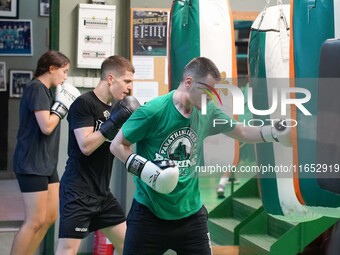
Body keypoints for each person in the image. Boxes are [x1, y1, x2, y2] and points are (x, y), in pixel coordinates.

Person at [110, 56, 291, 254]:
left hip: (190, 214)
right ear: (188, 83)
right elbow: (118, 145)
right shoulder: (153, 111)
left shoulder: (207, 112)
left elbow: (242, 132)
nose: (210, 98)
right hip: (149, 214)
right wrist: (147, 171)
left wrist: (273, 132)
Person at [56, 55, 140, 255]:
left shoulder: (114, 109)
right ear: (111, 78)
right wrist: (113, 122)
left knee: (129, 245)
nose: (129, 88)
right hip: (78, 192)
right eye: (126, 81)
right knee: (67, 250)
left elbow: (116, 146)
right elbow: (86, 145)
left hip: (102, 194)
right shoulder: (84, 104)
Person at [11, 50, 80, 255]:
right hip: (31, 163)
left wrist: (60, 104)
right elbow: (46, 126)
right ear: (52, 69)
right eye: (64, 71)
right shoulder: (36, 88)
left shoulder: (48, 91)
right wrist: (61, 106)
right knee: (34, 221)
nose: (65, 77)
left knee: (49, 217)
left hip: (46, 163)